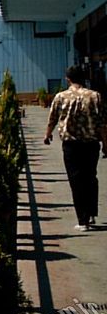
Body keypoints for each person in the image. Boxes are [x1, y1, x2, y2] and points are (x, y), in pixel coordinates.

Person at [44, 66, 107, 231]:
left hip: (71, 145)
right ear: (84, 78)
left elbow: (53, 118)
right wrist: (106, 143)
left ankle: (83, 220)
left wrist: (47, 134)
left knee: (76, 181)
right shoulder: (95, 96)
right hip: (91, 143)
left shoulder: (61, 97)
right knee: (91, 178)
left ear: (68, 79)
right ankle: (92, 212)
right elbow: (101, 123)